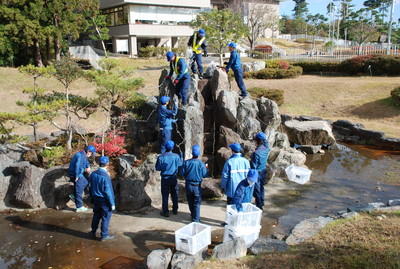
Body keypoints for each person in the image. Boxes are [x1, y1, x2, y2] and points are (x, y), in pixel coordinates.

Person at [88, 156, 115, 241]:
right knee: (105, 218)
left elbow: (90, 187)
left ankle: (93, 232)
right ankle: (104, 236)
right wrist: (112, 203)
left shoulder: (93, 174)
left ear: (99, 163)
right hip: (104, 201)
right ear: (107, 164)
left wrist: (91, 198)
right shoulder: (105, 176)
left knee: (96, 216)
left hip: (96, 199)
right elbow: (109, 191)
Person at [179, 145, 208, 222]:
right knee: (197, 203)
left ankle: (193, 215)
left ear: (192, 153)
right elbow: (205, 175)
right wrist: (206, 169)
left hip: (188, 185)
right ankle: (196, 219)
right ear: (198, 154)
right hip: (197, 186)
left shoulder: (186, 163)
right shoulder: (201, 164)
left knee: (190, 201)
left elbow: (181, 173)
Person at [155, 141, 183, 217]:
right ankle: (175, 210)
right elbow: (180, 164)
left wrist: (164, 167)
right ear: (173, 148)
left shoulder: (161, 157)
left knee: (165, 195)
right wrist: (182, 157)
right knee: (174, 194)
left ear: (165, 147)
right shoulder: (176, 156)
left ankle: (165, 211)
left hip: (165, 178)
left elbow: (157, 168)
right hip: (173, 177)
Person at [68, 145, 96, 212]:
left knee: (85, 182)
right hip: (75, 174)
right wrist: (77, 176)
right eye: (91, 153)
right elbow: (78, 166)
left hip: (78, 173)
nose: (91, 154)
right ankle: (79, 207)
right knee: (79, 189)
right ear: (88, 151)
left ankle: (74, 196)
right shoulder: (82, 155)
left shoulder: (82, 153)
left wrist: (88, 166)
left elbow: (86, 162)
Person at [251, 132, 270, 210]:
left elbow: (253, 166)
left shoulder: (256, 153)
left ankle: (259, 206)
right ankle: (262, 201)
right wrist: (263, 138)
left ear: (257, 141)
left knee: (257, 190)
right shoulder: (266, 148)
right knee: (261, 187)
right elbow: (266, 142)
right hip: (263, 171)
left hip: (257, 173)